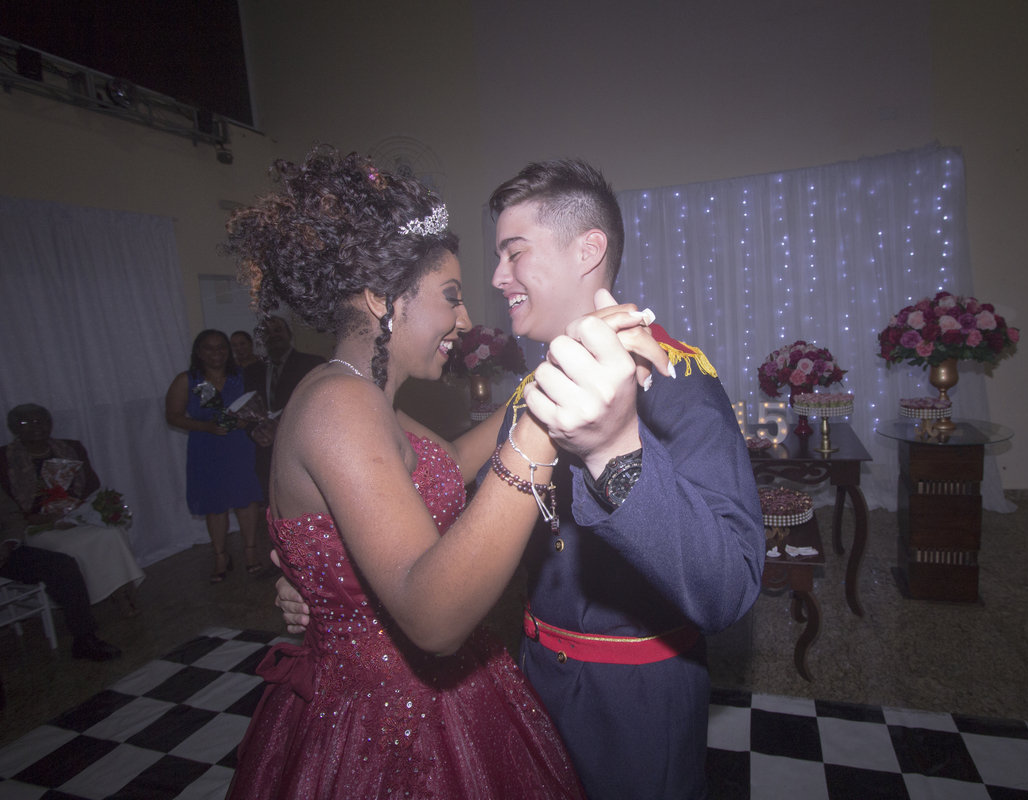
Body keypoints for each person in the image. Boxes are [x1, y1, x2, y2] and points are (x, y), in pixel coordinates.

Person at [279, 158, 764, 799]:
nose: (496, 277)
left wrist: (618, 451)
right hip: (532, 678)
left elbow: (729, 588)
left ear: (588, 251)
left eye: (514, 252)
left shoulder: (674, 379)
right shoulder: (529, 393)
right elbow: (461, 507)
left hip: (634, 703)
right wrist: (333, 569)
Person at [222, 147, 660, 799]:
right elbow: (432, 618)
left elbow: (449, 464)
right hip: (384, 724)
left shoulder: (367, 400)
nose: (464, 321)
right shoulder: (338, 405)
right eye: (451, 298)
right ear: (382, 298)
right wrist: (544, 427)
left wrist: (547, 379)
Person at [1, 404, 144, 616]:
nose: (36, 426)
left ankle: (120, 592)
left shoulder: (70, 447)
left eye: (41, 421)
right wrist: (35, 518)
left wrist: (76, 510)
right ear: (14, 428)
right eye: (26, 423)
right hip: (32, 525)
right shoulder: (4, 459)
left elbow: (91, 486)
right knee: (73, 547)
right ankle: (85, 600)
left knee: (112, 533)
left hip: (74, 516)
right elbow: (6, 509)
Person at [166, 330, 264, 580]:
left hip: (239, 446)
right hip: (206, 447)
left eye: (221, 347)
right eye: (209, 348)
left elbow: (260, 406)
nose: (216, 352)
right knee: (214, 503)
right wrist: (205, 426)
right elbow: (172, 416)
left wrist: (247, 419)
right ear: (198, 352)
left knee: (246, 498)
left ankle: (250, 549)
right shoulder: (187, 380)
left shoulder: (242, 375)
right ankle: (220, 555)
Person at [1, 486, 122, 660]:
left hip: (4, 552)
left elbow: (11, 516)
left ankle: (84, 639)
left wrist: (8, 544)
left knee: (63, 565)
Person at [242, 316, 325, 502]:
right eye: (267, 332)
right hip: (266, 452)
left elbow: (319, 406)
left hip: (301, 447)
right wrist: (255, 432)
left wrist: (281, 427)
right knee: (271, 505)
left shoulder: (313, 364)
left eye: (278, 330)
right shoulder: (252, 371)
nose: (273, 335)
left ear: (289, 334)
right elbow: (248, 408)